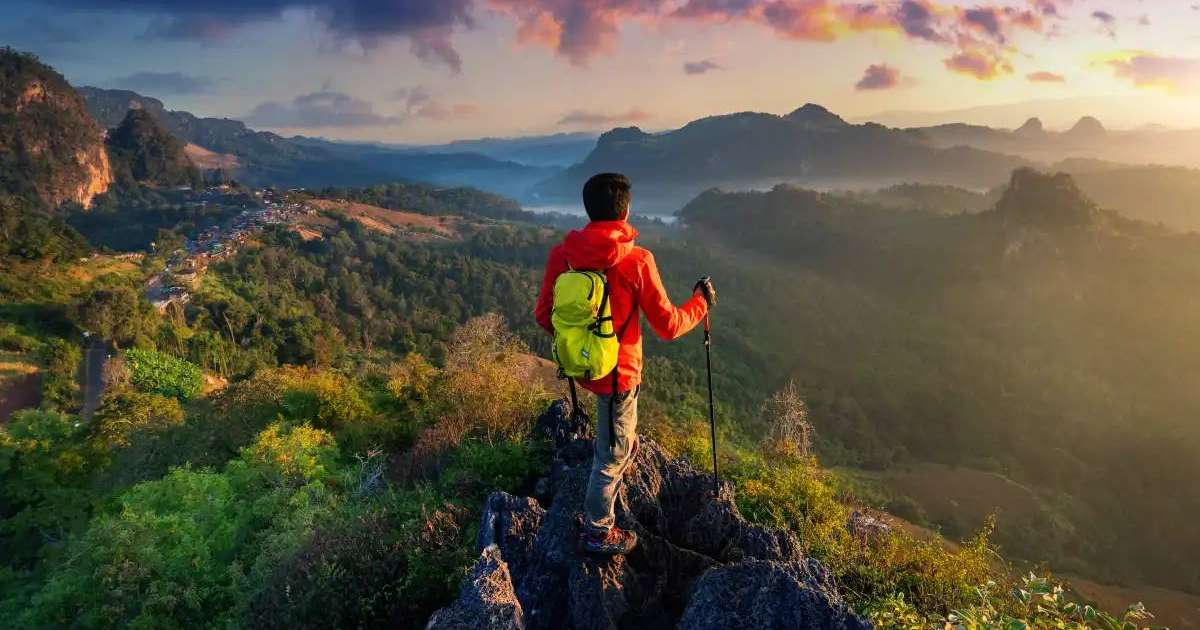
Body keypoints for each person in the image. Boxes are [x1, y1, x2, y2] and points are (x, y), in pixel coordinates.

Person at [534, 172, 717, 556]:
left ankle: (614, 470)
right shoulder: (637, 260)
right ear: (626, 210)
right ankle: (598, 531)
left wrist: (581, 346)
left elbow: (544, 315)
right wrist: (700, 303)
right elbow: (668, 326)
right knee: (611, 456)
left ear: (588, 210)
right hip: (620, 375)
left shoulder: (563, 256)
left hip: (585, 369)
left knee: (617, 439)